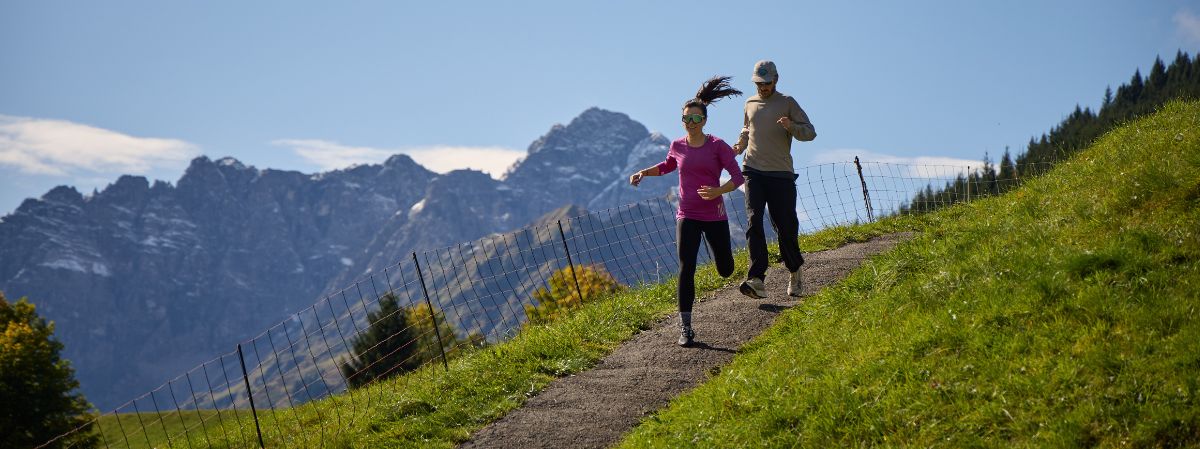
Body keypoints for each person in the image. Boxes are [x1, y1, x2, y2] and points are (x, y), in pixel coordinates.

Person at [629, 76, 745, 347]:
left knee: (726, 269)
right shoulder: (677, 145)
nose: (691, 123)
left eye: (696, 119)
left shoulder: (717, 146)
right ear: (682, 121)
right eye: (686, 119)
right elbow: (669, 165)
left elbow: (738, 177)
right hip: (687, 216)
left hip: (715, 215)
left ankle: (725, 265)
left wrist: (718, 191)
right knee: (686, 268)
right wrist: (644, 172)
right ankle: (686, 327)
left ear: (704, 121)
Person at [732, 60, 817, 299]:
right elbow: (746, 129)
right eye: (759, 83)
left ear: (776, 80)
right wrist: (739, 146)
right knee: (753, 221)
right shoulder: (749, 103)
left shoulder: (787, 103)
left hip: (780, 174)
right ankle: (757, 278)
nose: (763, 87)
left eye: (767, 83)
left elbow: (810, 132)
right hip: (753, 170)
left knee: (785, 226)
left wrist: (791, 126)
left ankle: (794, 269)